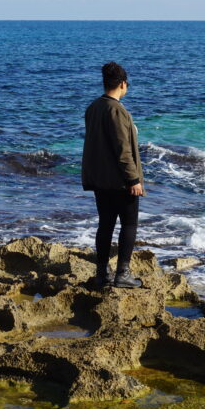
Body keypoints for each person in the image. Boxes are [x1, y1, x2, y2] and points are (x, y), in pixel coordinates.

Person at [81, 61, 145, 289]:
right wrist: (133, 179)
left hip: (100, 179)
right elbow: (122, 149)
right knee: (129, 224)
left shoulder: (93, 107)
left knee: (105, 225)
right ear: (122, 84)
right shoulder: (117, 110)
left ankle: (102, 273)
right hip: (119, 181)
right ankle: (122, 274)